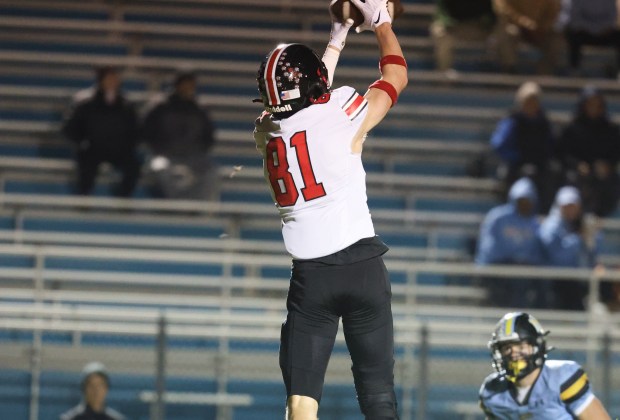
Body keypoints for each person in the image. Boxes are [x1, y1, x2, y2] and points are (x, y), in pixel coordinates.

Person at [253, 0, 408, 418]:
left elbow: (303, 107)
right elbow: (395, 75)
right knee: (377, 395)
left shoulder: (265, 131)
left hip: (311, 279)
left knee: (301, 404)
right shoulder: (341, 108)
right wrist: (381, 23)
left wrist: (335, 41)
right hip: (363, 267)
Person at [479, 312, 611, 419]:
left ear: (537, 346)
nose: (513, 353)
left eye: (520, 346)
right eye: (507, 348)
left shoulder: (561, 379)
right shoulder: (493, 392)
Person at [62, 66, 141, 197]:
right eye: (108, 78)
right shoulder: (85, 102)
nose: (112, 82)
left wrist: (128, 145)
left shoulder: (126, 104)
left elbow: (135, 129)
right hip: (92, 148)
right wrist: (82, 142)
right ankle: (84, 198)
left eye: (115, 78)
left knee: (133, 166)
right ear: (100, 80)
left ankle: (123, 199)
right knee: (86, 167)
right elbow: (70, 127)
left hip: (119, 150)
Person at [141, 71, 218, 200]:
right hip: (164, 155)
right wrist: (159, 149)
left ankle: (197, 208)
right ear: (177, 86)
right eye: (185, 85)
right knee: (160, 168)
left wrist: (197, 151)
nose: (188, 89)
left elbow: (208, 136)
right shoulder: (160, 107)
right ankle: (177, 205)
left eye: (191, 85)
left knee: (210, 172)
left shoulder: (199, 109)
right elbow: (147, 131)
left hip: (193, 156)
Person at [475, 177, 547, 308]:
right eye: (521, 200)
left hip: (525, 270)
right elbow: (488, 247)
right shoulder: (498, 217)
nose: (525, 204)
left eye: (528, 201)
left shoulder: (534, 223)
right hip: (499, 267)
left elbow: (538, 251)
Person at [490, 81, 560, 213]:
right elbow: (498, 144)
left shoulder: (544, 123)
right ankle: (510, 212)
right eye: (528, 101)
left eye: (534, 101)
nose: (531, 105)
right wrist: (519, 157)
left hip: (540, 166)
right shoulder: (512, 121)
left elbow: (552, 147)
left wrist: (539, 158)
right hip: (516, 164)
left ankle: (543, 213)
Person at [557, 85, 620, 217]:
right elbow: (563, 153)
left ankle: (601, 217)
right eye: (590, 104)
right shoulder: (572, 128)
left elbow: (616, 153)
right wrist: (577, 165)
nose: (593, 108)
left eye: (597, 104)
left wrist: (607, 165)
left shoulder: (611, 129)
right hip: (577, 173)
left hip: (603, 175)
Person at [539, 186, 602, 310]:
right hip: (556, 281)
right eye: (567, 206)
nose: (571, 210)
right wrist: (579, 238)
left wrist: (592, 236)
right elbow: (556, 256)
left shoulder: (579, 223)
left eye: (574, 206)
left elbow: (592, 252)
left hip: (578, 280)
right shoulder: (551, 226)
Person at [492, 0, 563, 74]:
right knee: (509, 32)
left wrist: (542, 27)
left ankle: (544, 75)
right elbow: (501, 7)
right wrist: (523, 22)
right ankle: (510, 69)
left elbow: (554, 11)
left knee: (555, 40)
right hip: (516, 26)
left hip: (539, 29)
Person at [429, 0, 496, 74]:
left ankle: (507, 70)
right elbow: (441, 15)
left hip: (479, 28)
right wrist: (451, 24)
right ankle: (444, 75)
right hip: (456, 27)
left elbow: (492, 16)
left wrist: (484, 24)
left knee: (504, 29)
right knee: (440, 31)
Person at [564, 0, 620, 78]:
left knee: (618, 35)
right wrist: (591, 29)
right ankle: (574, 69)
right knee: (572, 34)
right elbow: (575, 18)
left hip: (604, 33)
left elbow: (612, 18)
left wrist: (602, 29)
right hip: (584, 33)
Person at [59, 362, 125, 420]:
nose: (96, 390)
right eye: (91, 385)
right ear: (84, 388)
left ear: (106, 389)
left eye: (100, 385)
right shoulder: (70, 418)